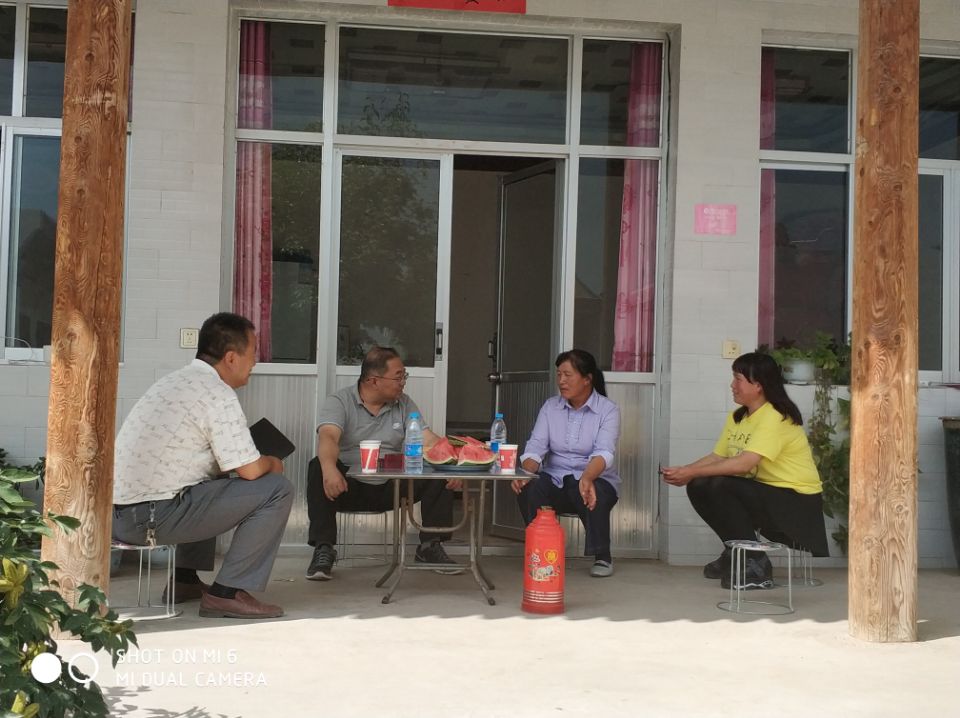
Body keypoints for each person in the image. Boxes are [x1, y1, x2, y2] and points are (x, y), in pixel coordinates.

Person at [112, 312, 293, 619]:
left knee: (210, 481)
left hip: (122, 516)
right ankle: (227, 593)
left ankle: (184, 580)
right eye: (253, 354)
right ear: (231, 358)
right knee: (277, 489)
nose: (255, 363)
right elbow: (250, 470)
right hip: (151, 518)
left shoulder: (172, 381)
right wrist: (273, 462)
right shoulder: (217, 393)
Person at [661, 351, 829, 590]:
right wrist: (686, 471)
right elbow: (718, 456)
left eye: (738, 379)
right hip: (767, 494)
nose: (732, 385)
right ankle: (736, 552)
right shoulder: (738, 417)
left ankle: (755, 563)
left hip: (796, 503)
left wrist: (692, 472)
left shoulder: (776, 417)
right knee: (699, 485)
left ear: (758, 385)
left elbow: (743, 464)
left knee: (720, 485)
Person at [305, 346, 461, 580]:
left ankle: (430, 546)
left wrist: (453, 462)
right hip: (349, 486)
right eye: (398, 377)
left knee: (437, 470)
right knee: (318, 466)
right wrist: (329, 470)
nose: (403, 382)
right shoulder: (340, 401)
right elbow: (328, 437)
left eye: (404, 376)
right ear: (374, 380)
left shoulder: (404, 404)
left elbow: (428, 440)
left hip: (392, 485)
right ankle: (323, 548)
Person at [511, 349, 621, 578]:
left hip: (593, 477)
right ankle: (541, 549)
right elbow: (536, 447)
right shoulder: (551, 407)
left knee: (594, 490)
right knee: (529, 487)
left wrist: (588, 478)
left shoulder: (608, 410)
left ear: (587, 379)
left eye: (568, 375)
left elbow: (604, 452)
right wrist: (525, 473)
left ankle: (602, 555)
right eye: (559, 374)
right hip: (556, 479)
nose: (561, 381)